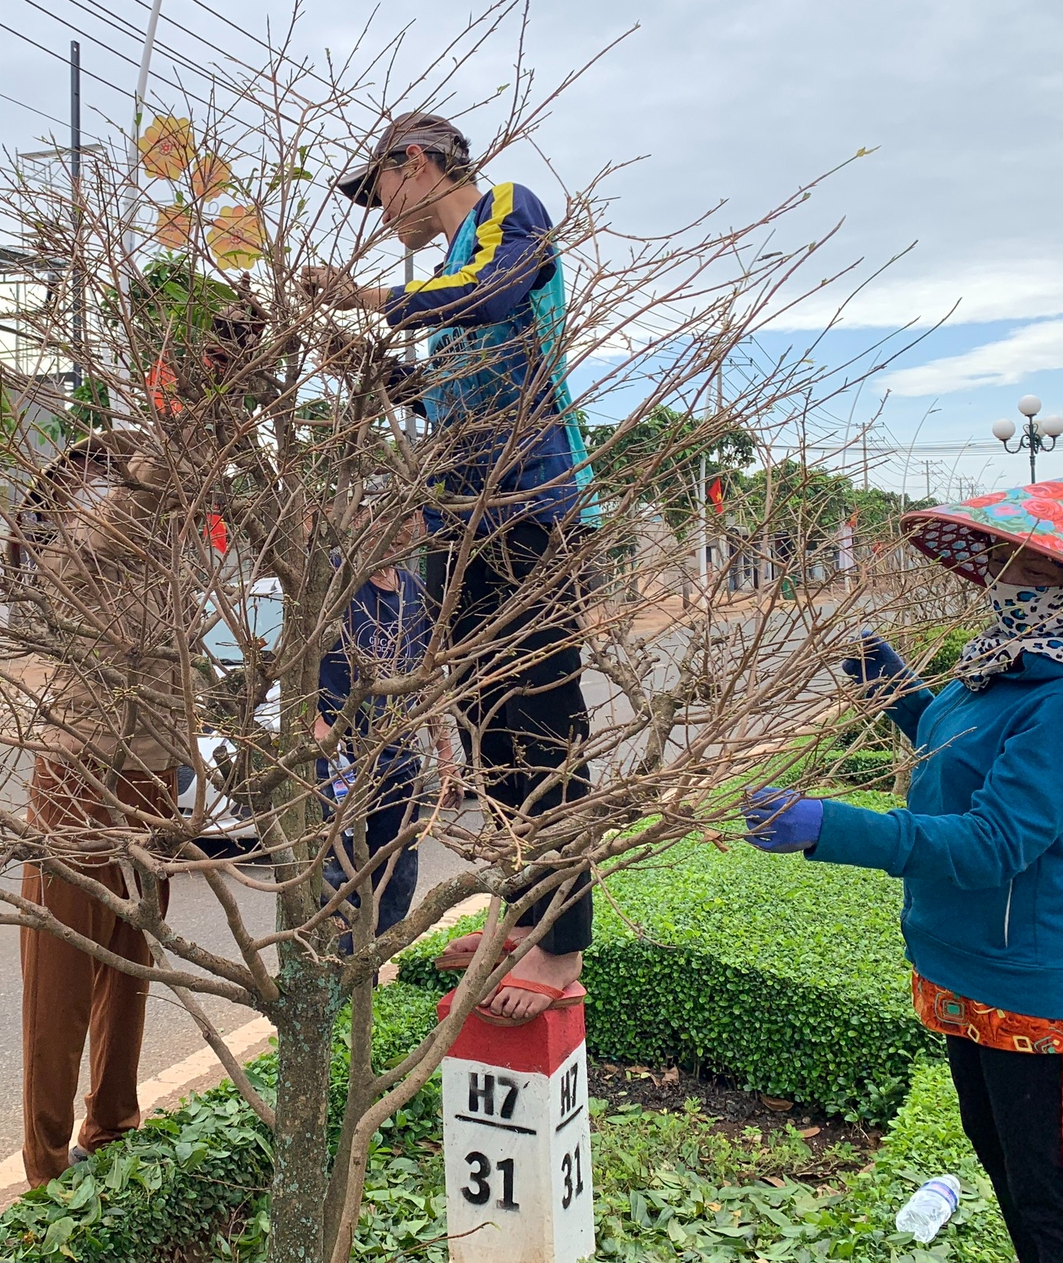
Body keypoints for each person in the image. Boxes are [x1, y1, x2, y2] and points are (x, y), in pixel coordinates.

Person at [741, 468, 1063, 1263]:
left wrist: (831, 827)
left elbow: (994, 841)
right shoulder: (1012, 660)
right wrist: (899, 692)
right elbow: (963, 754)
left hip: (1040, 1001)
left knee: (1057, 1219)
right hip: (972, 979)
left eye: (1017, 559)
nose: (996, 573)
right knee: (1012, 1184)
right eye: (995, 553)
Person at [307, 111, 597, 1023]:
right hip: (463, 524)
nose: (380, 210)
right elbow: (449, 401)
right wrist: (369, 365)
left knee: (540, 717)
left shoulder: (508, 212)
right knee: (483, 716)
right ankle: (526, 910)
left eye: (379, 188)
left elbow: (499, 292)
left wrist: (370, 303)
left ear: (419, 164)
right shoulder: (445, 281)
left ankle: (563, 941)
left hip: (530, 515)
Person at [15, 430, 186, 1185]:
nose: (107, 485)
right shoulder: (68, 557)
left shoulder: (158, 564)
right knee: (59, 987)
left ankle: (113, 1120)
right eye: (90, 475)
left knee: (132, 960)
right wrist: (189, 405)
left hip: (154, 782)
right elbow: (134, 507)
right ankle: (47, 1163)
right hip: (76, 782)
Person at [317, 515, 463, 955]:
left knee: (397, 872)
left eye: (406, 524)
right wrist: (316, 723)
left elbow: (428, 676)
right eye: (384, 522)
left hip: (397, 756)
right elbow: (297, 655)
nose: (398, 533)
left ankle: (369, 970)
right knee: (337, 877)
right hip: (338, 756)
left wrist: (445, 755)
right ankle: (333, 974)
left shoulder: (414, 589)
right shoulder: (335, 581)